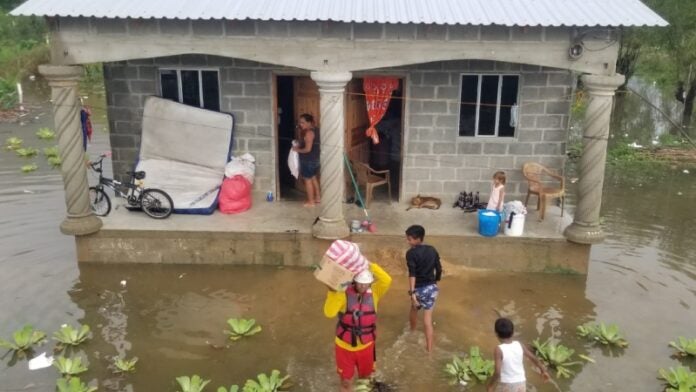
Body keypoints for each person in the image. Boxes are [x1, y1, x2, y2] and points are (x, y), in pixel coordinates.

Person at [324, 263, 392, 392]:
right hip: (344, 347)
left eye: (366, 283)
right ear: (354, 281)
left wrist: (368, 264)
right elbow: (329, 312)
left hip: (366, 346)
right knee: (345, 382)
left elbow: (387, 280)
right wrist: (332, 292)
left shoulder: (375, 292)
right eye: (360, 283)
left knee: (365, 381)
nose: (363, 286)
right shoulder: (342, 293)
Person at [405, 225, 442, 353]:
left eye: (410, 239)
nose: (408, 242)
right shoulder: (432, 250)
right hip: (432, 288)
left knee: (414, 309)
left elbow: (412, 273)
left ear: (418, 239)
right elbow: (439, 268)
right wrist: (435, 283)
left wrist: (413, 293)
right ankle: (430, 349)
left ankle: (412, 331)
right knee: (428, 320)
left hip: (419, 289)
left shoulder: (411, 253)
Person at [487, 318, 550, 392]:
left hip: (507, 383)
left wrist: (490, 385)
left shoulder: (499, 349)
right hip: (521, 383)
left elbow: (497, 371)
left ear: (496, 334)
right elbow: (533, 358)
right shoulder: (519, 345)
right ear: (513, 332)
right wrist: (543, 371)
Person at [292, 113, 321, 207]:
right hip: (315, 159)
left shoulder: (309, 133)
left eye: (303, 122)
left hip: (308, 160)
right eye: (300, 122)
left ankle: (311, 202)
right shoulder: (316, 130)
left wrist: (297, 150)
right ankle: (318, 198)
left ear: (309, 123)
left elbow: (308, 149)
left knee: (307, 180)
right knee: (313, 178)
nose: (301, 124)